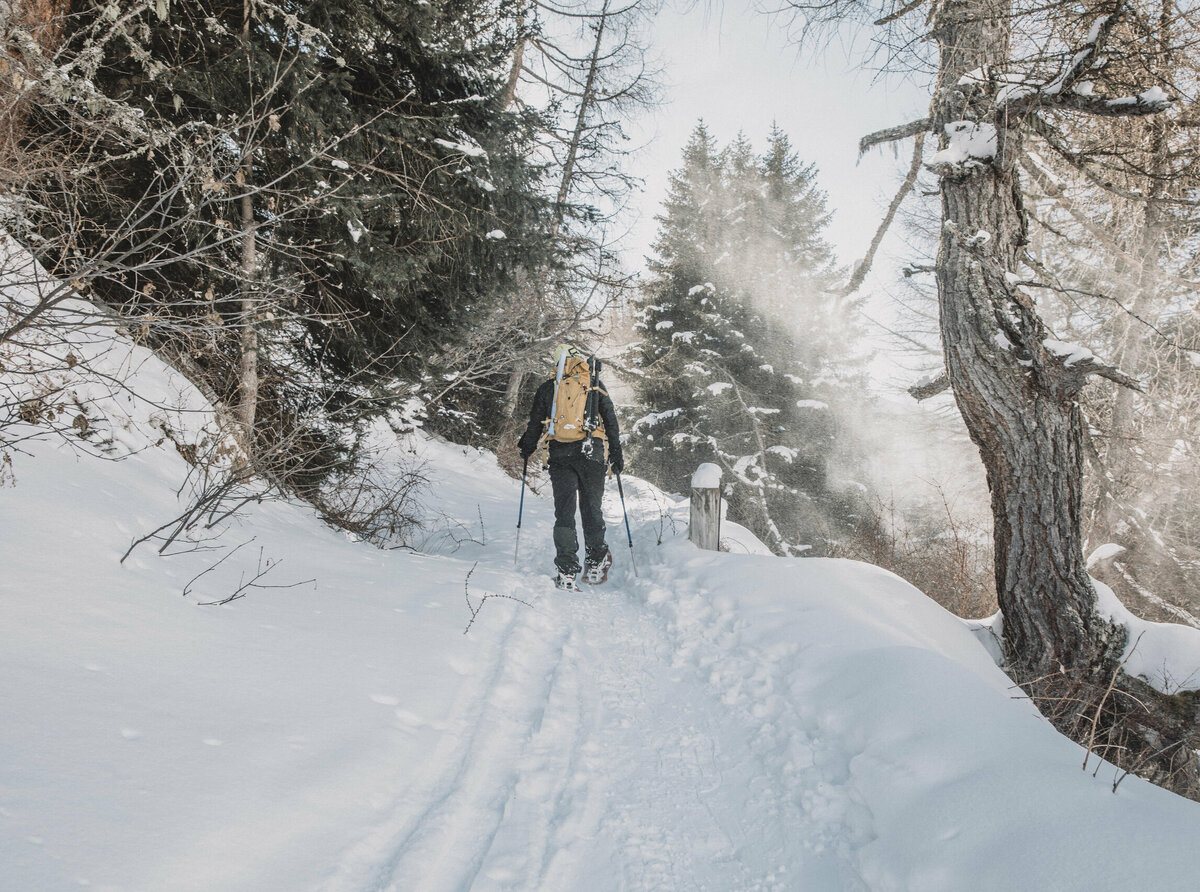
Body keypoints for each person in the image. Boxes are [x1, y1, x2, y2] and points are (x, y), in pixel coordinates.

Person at [517, 344, 624, 590]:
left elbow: (535, 423)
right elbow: (611, 421)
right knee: (591, 508)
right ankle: (596, 562)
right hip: (592, 453)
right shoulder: (595, 384)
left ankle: (566, 571)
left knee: (564, 512)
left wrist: (527, 447)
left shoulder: (549, 387)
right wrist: (616, 453)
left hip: (560, 454)